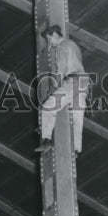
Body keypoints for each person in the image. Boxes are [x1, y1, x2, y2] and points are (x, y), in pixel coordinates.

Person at [37, 25, 88, 154]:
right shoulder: (74, 45)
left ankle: (46, 139)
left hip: (72, 81)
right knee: (77, 117)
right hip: (83, 83)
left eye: (49, 39)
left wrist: (55, 87)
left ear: (55, 35)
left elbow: (61, 69)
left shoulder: (61, 47)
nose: (50, 43)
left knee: (48, 107)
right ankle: (76, 149)